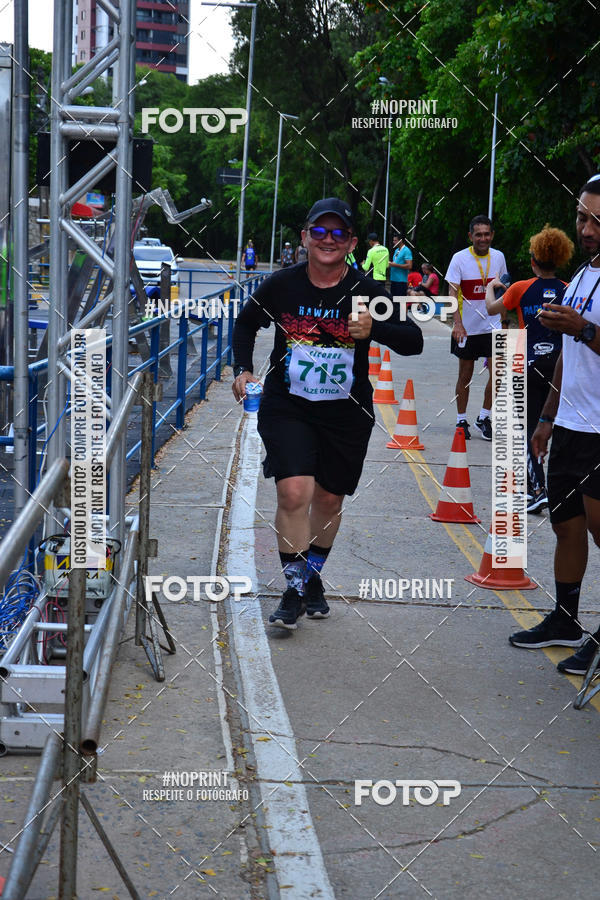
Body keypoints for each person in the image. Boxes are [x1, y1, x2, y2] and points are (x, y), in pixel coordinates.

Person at [232, 198, 423, 630]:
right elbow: (245, 324)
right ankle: (294, 590)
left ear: (351, 243)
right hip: (288, 406)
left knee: (329, 499)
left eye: (338, 234)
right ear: (304, 237)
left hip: (346, 413)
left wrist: (376, 328)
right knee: (294, 493)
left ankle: (311, 577)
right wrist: (243, 369)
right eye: (319, 231)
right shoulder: (282, 285)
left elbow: (414, 340)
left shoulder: (367, 291)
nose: (328, 240)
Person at [508, 174, 600, 677]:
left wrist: (583, 328)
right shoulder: (584, 274)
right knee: (566, 527)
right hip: (569, 424)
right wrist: (546, 416)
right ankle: (566, 619)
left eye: (594, 220)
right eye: (581, 217)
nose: (584, 228)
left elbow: (582, 335)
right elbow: (567, 353)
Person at [485, 226, 574, 514]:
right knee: (557, 428)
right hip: (561, 367)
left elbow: (491, 309)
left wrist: (491, 287)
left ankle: (537, 489)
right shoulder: (568, 288)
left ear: (534, 259)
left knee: (526, 430)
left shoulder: (520, 288)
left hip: (529, 365)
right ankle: (556, 488)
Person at [445, 214, 508, 441]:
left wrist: (505, 322)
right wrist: (457, 324)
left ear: (492, 235)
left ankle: (484, 417)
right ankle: (462, 419)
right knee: (466, 374)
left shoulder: (499, 257)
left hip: (491, 326)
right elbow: (451, 292)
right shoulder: (459, 259)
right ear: (470, 236)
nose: (483, 238)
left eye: (487, 234)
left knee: (498, 373)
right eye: (478, 234)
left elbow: (502, 290)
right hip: (467, 329)